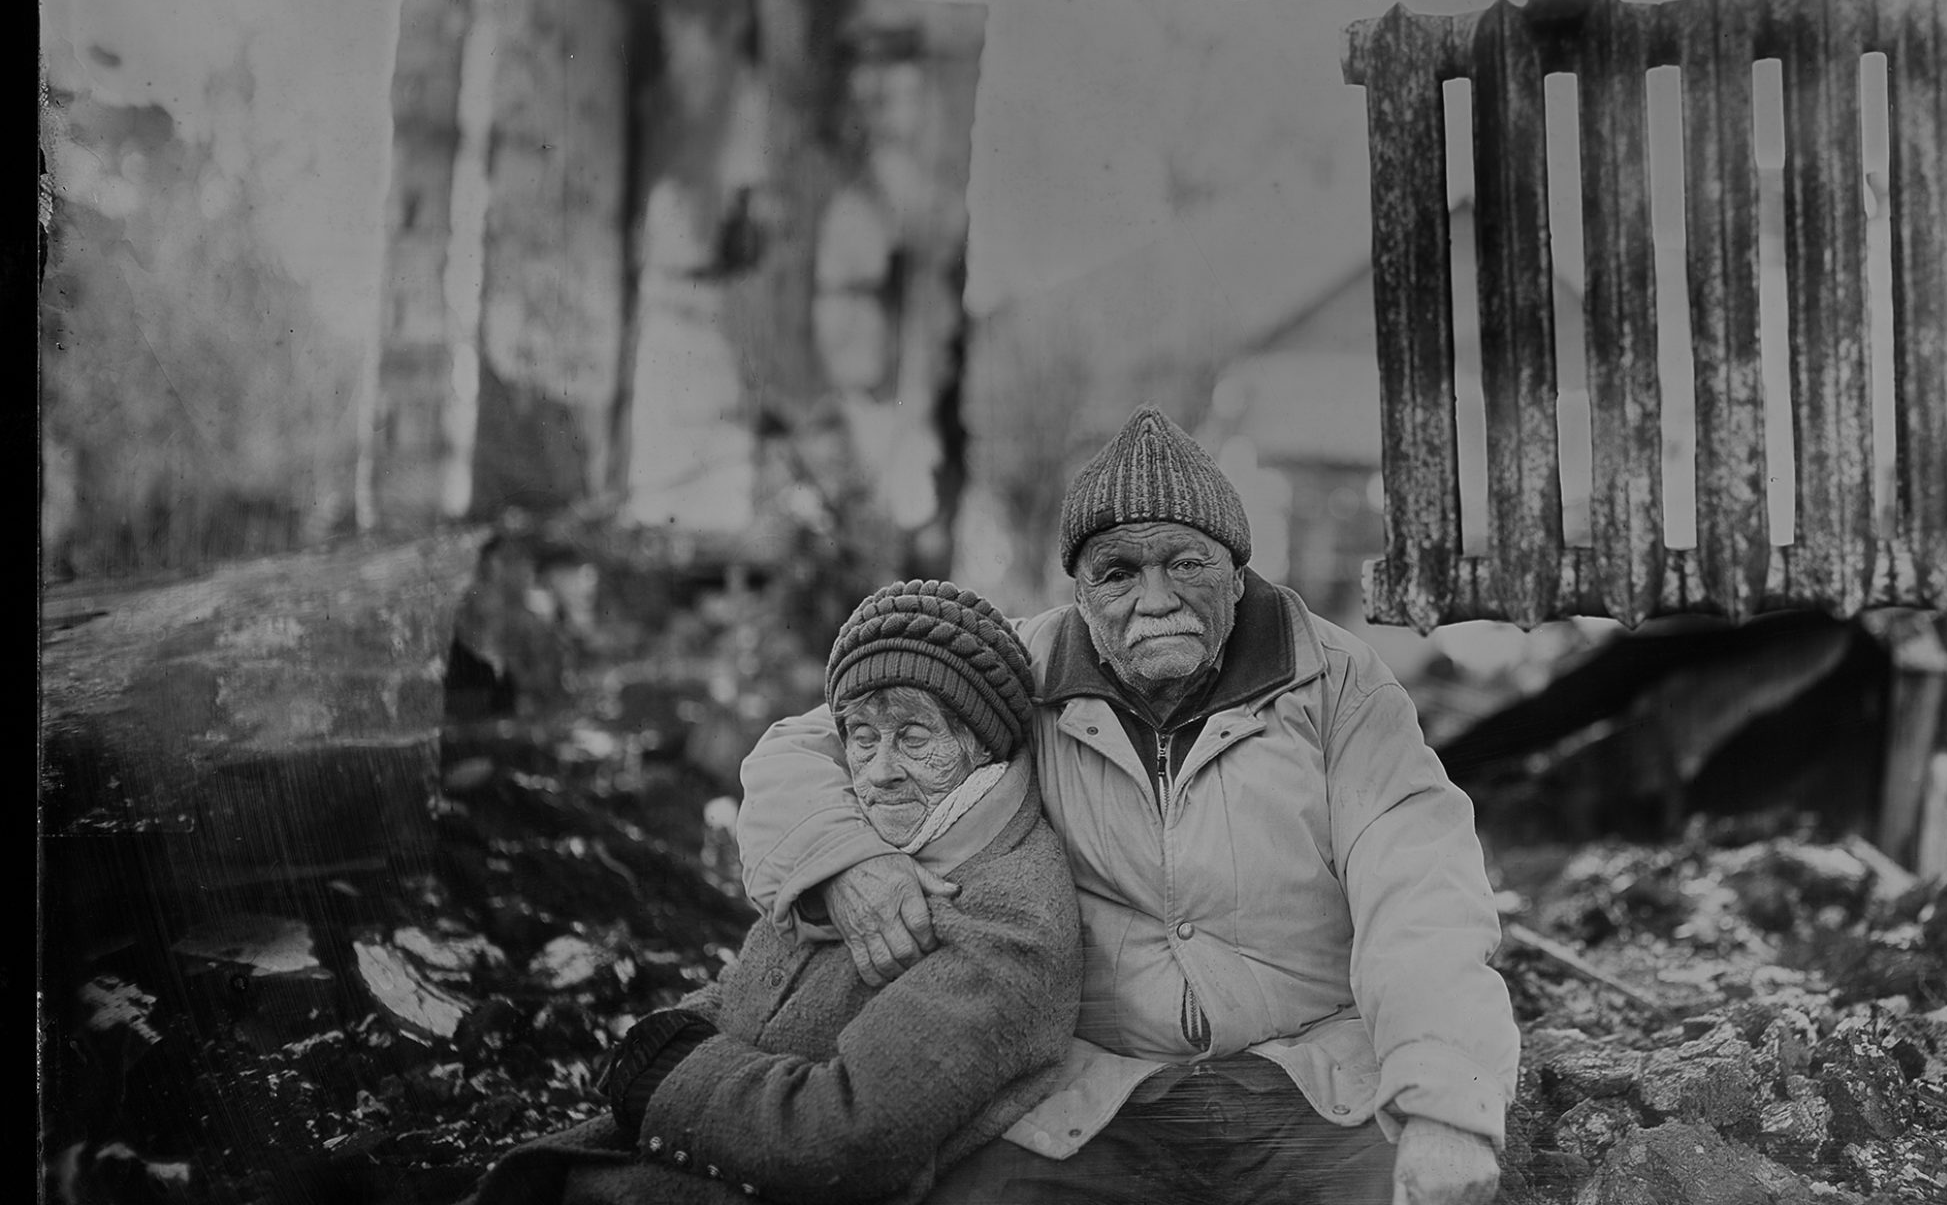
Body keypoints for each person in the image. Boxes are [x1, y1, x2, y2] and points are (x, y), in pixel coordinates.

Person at [733, 406, 1516, 1205]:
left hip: (1316, 1077)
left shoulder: (1337, 683)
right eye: (1117, 572)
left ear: (1236, 572)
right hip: (1093, 1096)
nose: (1155, 599)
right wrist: (848, 862)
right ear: (1076, 587)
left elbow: (1419, 889)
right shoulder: (1017, 669)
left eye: (1186, 563)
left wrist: (1444, 1103)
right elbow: (801, 749)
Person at [468, 581, 1082, 1205]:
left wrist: (669, 1073)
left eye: (916, 737)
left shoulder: (1009, 911)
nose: (880, 770)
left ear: (985, 746)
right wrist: (674, 1031)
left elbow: (846, 1138)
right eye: (862, 738)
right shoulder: (875, 843)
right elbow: (765, 995)